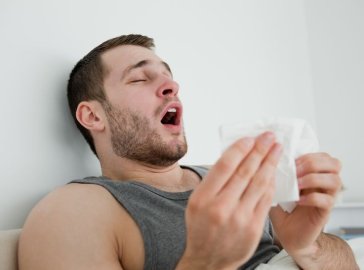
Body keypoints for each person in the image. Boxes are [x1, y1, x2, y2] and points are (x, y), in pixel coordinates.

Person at [18, 34, 358, 270]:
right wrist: (207, 261)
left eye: (168, 76)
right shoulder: (74, 211)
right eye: (139, 79)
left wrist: (305, 246)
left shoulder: (230, 179)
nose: (172, 86)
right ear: (93, 115)